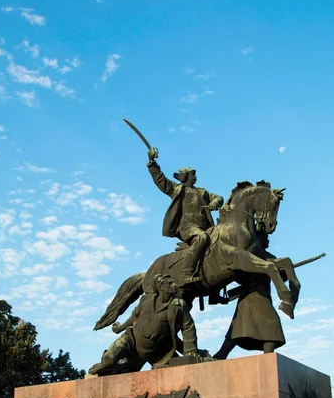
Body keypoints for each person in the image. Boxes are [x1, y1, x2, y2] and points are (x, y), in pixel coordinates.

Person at [89, 274, 198, 376]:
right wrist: (120, 328)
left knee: (125, 372)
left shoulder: (178, 305)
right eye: (170, 283)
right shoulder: (146, 300)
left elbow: (187, 326)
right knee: (109, 359)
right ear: (160, 286)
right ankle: (103, 366)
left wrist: (190, 352)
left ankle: (112, 369)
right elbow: (134, 317)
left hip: (156, 350)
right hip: (132, 339)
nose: (174, 285)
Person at [147, 149, 224, 286]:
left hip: (206, 228)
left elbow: (218, 197)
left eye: (195, 175)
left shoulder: (202, 192)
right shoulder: (176, 188)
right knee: (201, 238)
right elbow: (160, 180)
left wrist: (214, 203)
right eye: (192, 175)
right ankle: (185, 273)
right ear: (184, 177)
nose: (195, 177)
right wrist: (152, 163)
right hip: (188, 227)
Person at [214, 231, 286, 359]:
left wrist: (283, 271)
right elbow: (237, 273)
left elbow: (281, 277)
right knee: (271, 323)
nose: (267, 240)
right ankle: (267, 358)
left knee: (239, 328)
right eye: (265, 237)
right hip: (252, 295)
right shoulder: (252, 256)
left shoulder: (268, 256)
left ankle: (222, 354)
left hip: (262, 295)